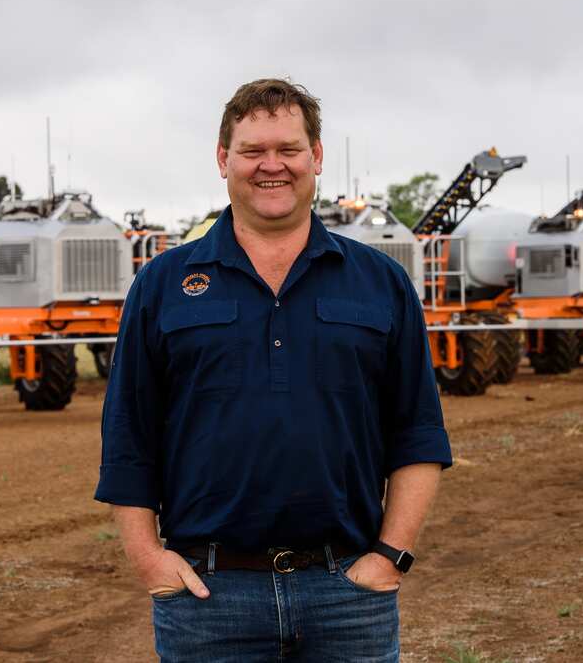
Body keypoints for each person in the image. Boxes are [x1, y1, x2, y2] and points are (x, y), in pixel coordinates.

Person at [95, 78, 453, 662]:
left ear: (315, 157)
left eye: (288, 150)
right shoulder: (163, 285)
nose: (272, 167)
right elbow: (129, 434)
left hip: (346, 594)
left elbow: (417, 432)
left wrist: (390, 557)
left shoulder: (380, 282)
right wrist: (148, 559)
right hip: (210, 599)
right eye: (253, 151)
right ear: (222, 160)